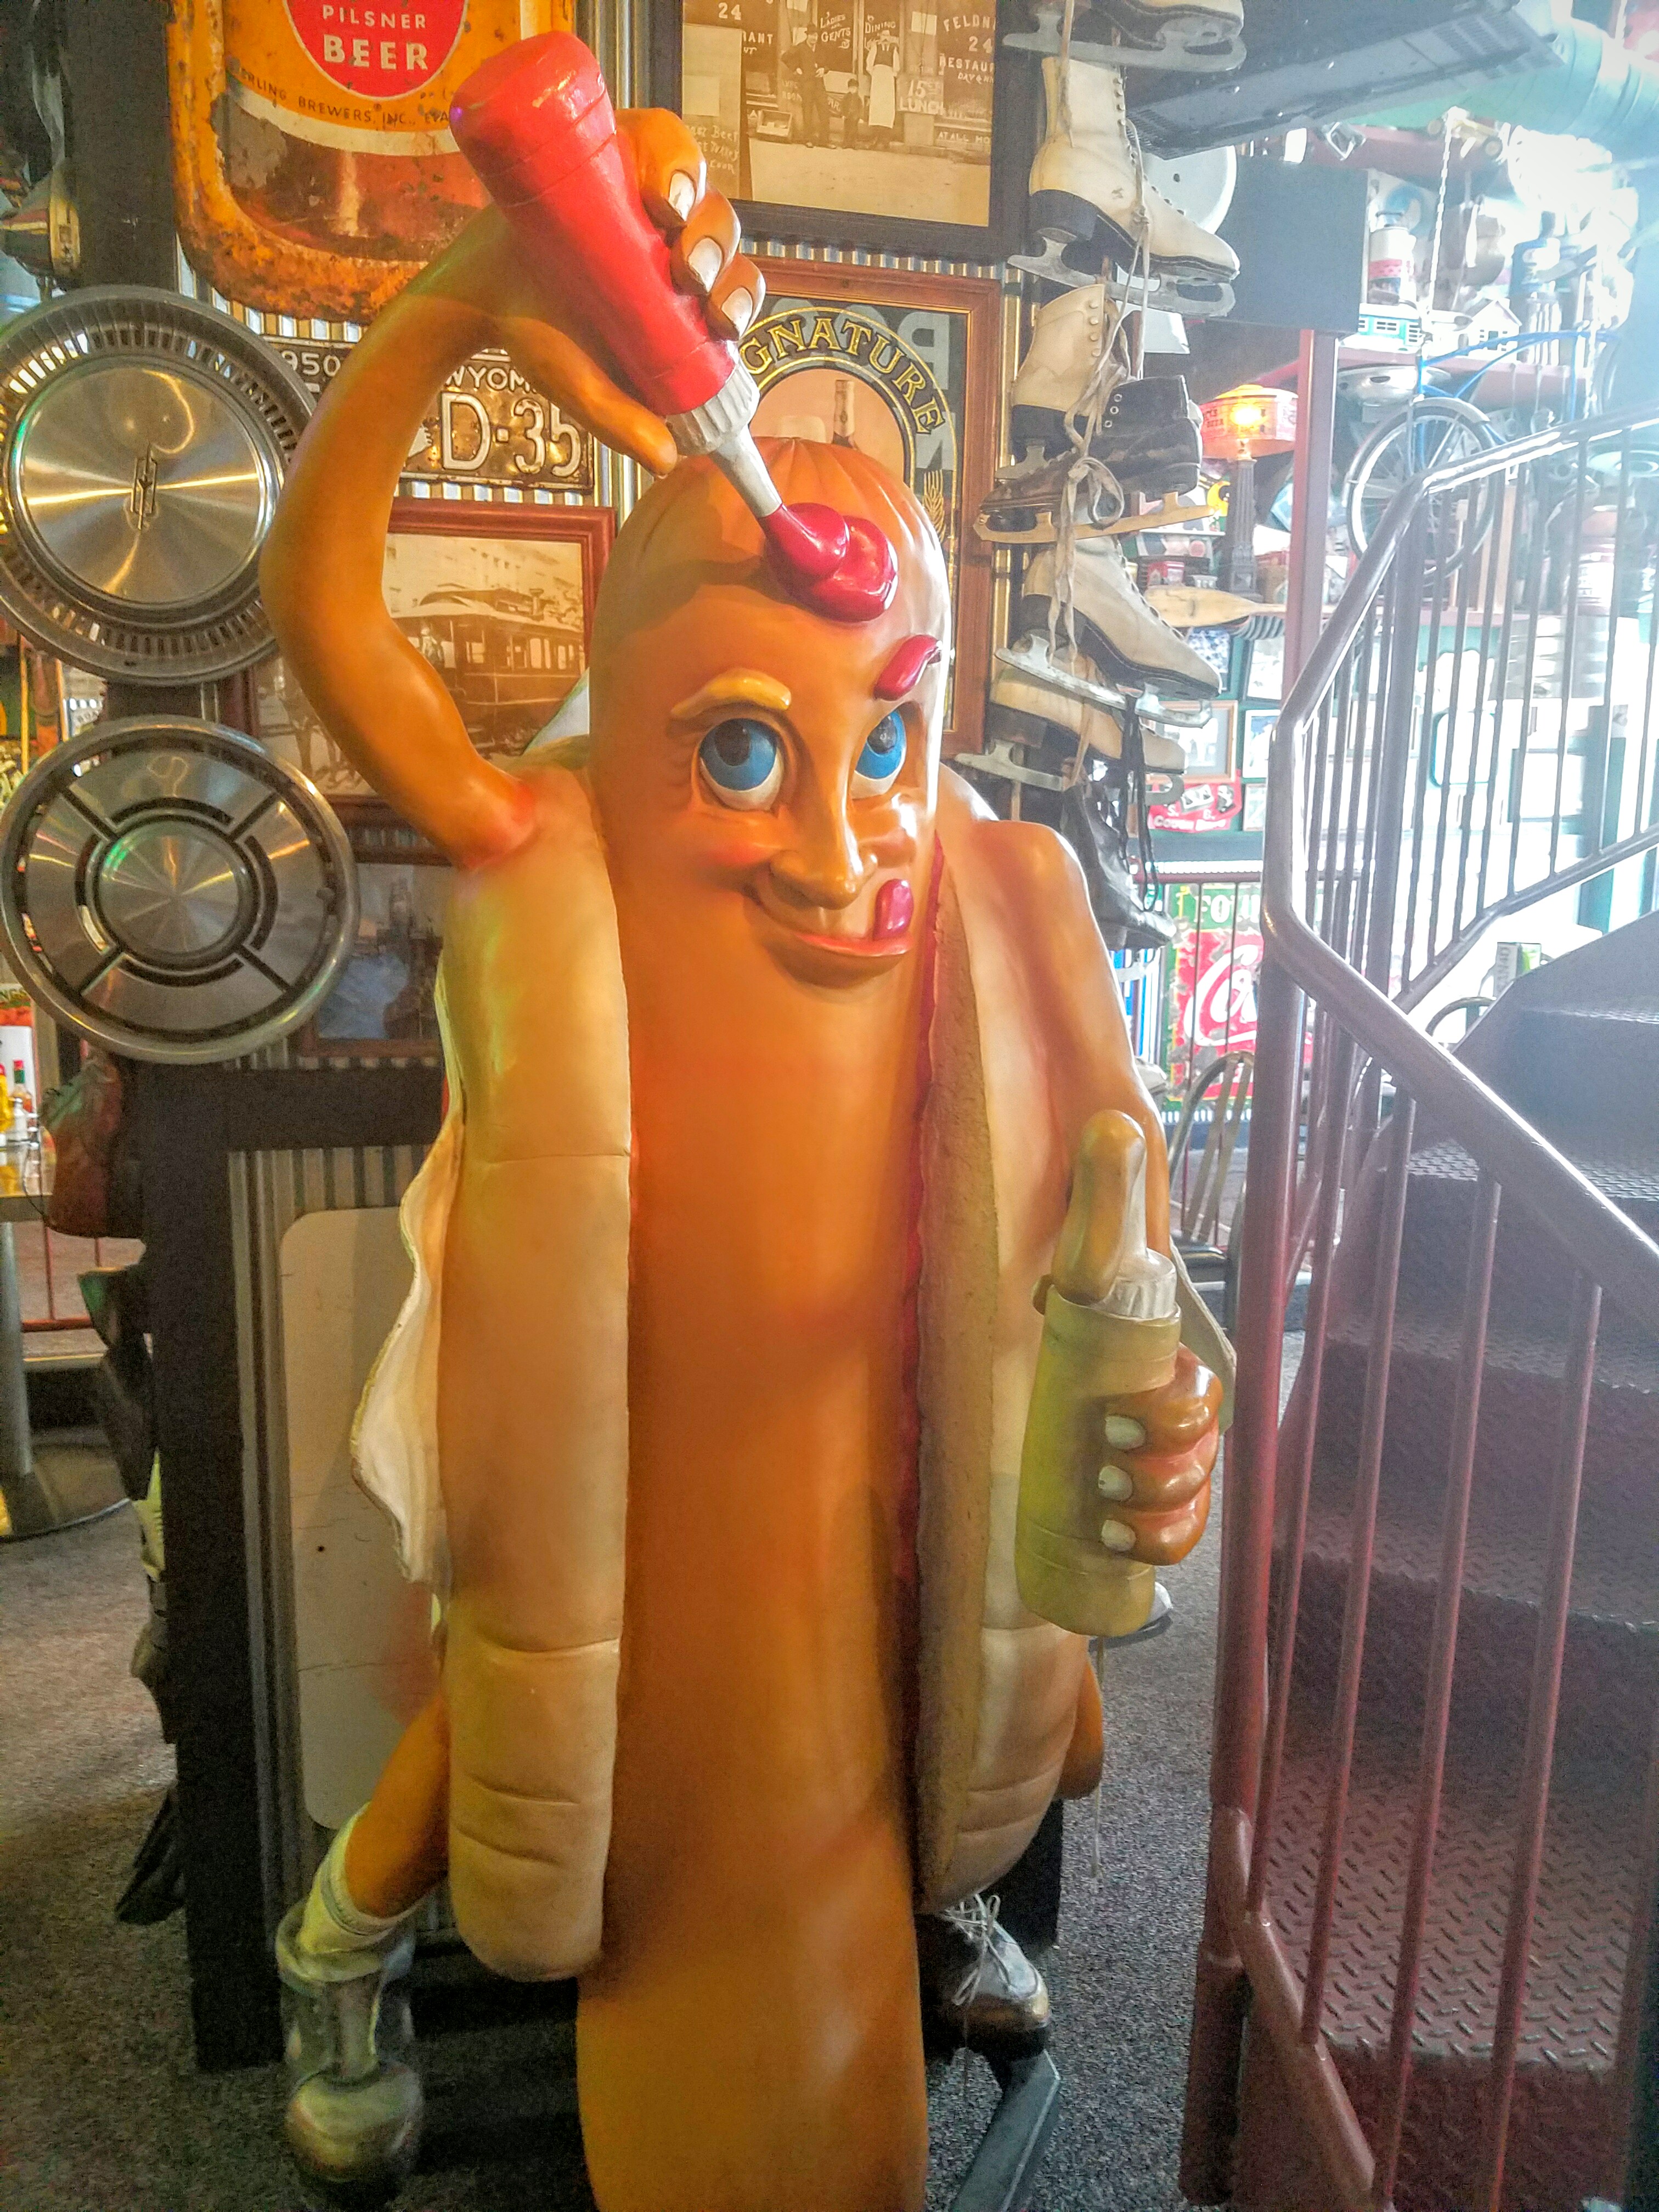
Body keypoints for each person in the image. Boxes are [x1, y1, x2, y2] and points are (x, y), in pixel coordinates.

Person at [259, 100, 1227, 2212]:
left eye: (887, 738)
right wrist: (468, 294)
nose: (842, 842)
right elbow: (320, 602)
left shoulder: (991, 898)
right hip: (622, 1426)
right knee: (530, 1682)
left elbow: (1120, 1225)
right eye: (743, 752)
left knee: (997, 1687)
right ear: (638, 742)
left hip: (886, 1423)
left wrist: (1169, 1420)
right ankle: (342, 1936)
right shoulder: (557, 844)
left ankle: (937, 1895)